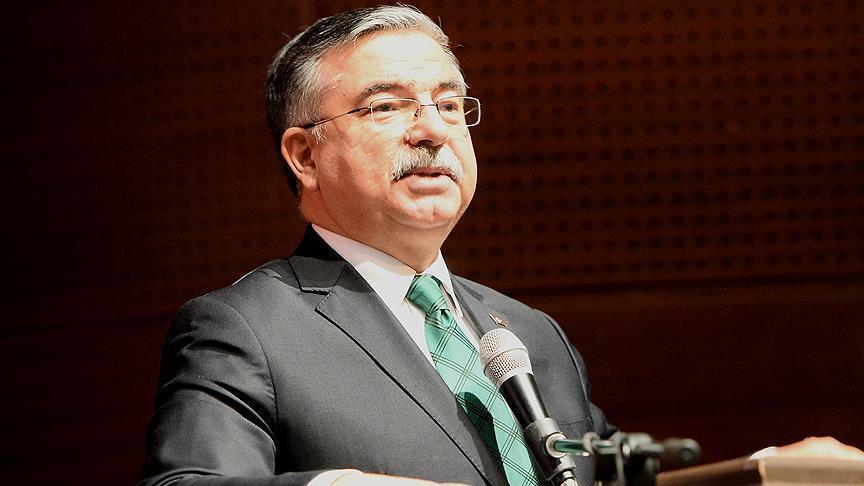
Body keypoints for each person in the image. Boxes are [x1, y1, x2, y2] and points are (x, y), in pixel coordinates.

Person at [140, 5, 861, 486]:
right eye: (388, 106)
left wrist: (762, 472)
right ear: (305, 154)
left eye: (450, 104)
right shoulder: (248, 327)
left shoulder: (529, 335)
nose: (433, 130)